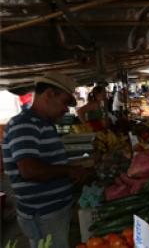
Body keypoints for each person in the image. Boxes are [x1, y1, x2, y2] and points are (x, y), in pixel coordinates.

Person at [2, 72, 90, 248]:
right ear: (49, 94)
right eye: (65, 102)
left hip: (52, 211)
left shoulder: (43, 123)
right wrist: (69, 171)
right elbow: (29, 170)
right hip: (42, 214)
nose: (66, 109)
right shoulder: (24, 124)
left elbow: (47, 164)